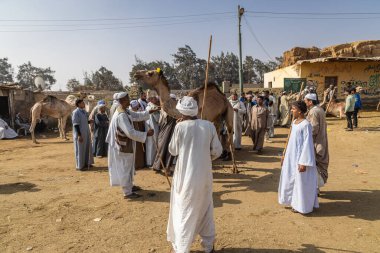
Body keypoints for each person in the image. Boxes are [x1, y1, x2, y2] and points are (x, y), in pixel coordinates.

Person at [167, 96, 222, 253]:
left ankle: (182, 248)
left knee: (184, 210)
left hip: (185, 177)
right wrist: (205, 158)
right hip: (204, 175)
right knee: (205, 208)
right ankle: (208, 245)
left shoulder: (180, 127)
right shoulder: (209, 126)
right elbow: (217, 151)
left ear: (182, 112)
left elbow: (173, 150)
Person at [105, 92, 155, 199]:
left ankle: (130, 186)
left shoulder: (125, 111)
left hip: (125, 144)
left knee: (128, 166)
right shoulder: (121, 115)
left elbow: (135, 116)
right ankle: (127, 192)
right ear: (122, 101)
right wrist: (146, 134)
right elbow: (130, 133)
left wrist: (149, 112)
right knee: (124, 167)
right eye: (127, 99)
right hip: (122, 146)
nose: (129, 101)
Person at [278, 101, 319, 214]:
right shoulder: (294, 122)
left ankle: (301, 206)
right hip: (290, 157)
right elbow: (289, 140)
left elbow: (307, 145)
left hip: (300, 159)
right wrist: (284, 154)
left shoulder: (306, 125)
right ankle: (292, 202)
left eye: (293, 109)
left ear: (300, 111)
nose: (291, 111)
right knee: (289, 178)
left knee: (300, 182)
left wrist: (303, 162)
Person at [304, 93, 329, 189]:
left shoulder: (314, 112)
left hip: (316, 142)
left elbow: (314, 128)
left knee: (315, 164)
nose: (305, 102)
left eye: (306, 101)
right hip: (321, 140)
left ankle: (315, 187)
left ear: (310, 102)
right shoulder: (320, 109)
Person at [152, 94, 177, 174]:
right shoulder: (169, 109)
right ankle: (166, 168)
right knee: (166, 150)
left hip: (166, 132)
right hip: (167, 133)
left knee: (164, 149)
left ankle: (159, 166)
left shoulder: (166, 107)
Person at [72, 99, 93, 171]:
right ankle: (80, 166)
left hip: (86, 133)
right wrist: (79, 135)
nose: (84, 104)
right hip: (80, 133)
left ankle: (87, 163)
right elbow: (76, 124)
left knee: (87, 148)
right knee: (80, 149)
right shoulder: (76, 112)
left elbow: (84, 121)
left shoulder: (84, 112)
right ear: (78, 104)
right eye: (82, 103)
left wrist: (89, 122)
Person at [145, 92, 160, 167]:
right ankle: (151, 162)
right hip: (153, 129)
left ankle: (150, 162)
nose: (157, 100)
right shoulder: (153, 108)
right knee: (153, 146)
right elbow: (158, 119)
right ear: (151, 99)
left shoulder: (148, 107)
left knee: (150, 145)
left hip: (150, 128)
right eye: (155, 99)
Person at [130, 100, 146, 169]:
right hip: (135, 134)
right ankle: (136, 164)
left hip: (137, 134)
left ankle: (139, 164)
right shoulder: (131, 114)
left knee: (138, 148)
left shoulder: (134, 113)